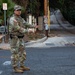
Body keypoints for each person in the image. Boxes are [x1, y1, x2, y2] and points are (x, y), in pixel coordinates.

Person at [9, 5, 35, 73]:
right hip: (14, 39)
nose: (19, 11)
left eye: (20, 10)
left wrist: (34, 26)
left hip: (20, 39)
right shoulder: (12, 19)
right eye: (17, 10)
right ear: (14, 11)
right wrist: (28, 31)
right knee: (15, 54)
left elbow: (26, 24)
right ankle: (15, 68)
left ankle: (22, 65)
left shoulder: (20, 18)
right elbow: (18, 28)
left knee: (23, 53)